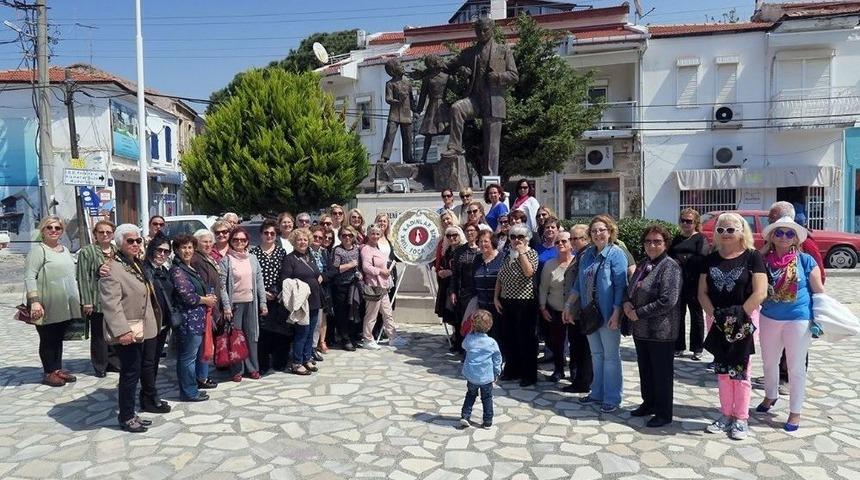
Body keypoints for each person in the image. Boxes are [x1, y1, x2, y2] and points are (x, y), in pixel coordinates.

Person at [699, 212, 768, 440]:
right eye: (720, 230)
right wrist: (717, 317)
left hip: (744, 321)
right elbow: (702, 293)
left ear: (741, 231)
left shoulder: (752, 257)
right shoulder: (710, 259)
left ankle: (741, 418)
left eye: (731, 229)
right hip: (717, 320)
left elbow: (760, 291)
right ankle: (725, 414)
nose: (725, 234)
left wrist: (738, 316)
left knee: (741, 371)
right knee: (722, 371)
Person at [756, 216, 824, 432]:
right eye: (779, 232)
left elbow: (819, 291)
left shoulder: (806, 261)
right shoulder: (763, 260)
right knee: (769, 362)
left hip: (798, 319)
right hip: (769, 317)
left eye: (789, 233)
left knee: (795, 368)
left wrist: (820, 318)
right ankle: (770, 396)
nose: (784, 237)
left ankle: (795, 412)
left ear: (796, 238)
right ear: (772, 236)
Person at [99, 224, 159, 432]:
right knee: (130, 373)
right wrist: (122, 331)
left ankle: (131, 412)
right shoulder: (112, 268)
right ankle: (126, 416)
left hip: (142, 328)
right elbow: (111, 304)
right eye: (130, 241)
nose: (135, 244)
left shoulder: (134, 264)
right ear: (119, 243)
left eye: (138, 240)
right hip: (128, 330)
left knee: (136, 370)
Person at [567, 215, 628, 413]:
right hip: (590, 314)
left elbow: (621, 285)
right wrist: (569, 305)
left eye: (602, 230)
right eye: (594, 231)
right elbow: (578, 283)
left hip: (608, 313)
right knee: (596, 355)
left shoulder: (616, 254)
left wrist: (617, 311)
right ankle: (597, 392)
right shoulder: (587, 255)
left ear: (610, 231)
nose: (598, 234)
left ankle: (612, 397)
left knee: (611, 357)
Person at [443, 17, 518, 177]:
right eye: (479, 31)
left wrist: (498, 77)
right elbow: (449, 66)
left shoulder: (503, 50)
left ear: (492, 30)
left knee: (492, 144)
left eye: (485, 30)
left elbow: (514, 75)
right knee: (457, 108)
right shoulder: (469, 53)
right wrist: (434, 66)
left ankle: (490, 178)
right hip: (475, 99)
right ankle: (455, 146)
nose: (482, 33)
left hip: (494, 101)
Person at [623, 225, 682, 428]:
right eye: (648, 241)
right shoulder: (643, 265)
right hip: (641, 330)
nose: (652, 245)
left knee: (661, 374)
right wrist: (626, 303)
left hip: (661, 331)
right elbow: (630, 289)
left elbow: (668, 300)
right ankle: (648, 403)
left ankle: (664, 412)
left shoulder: (670, 267)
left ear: (665, 244)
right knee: (646, 370)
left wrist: (638, 313)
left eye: (657, 241)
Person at [24, 216, 81, 387]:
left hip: (63, 303)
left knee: (57, 338)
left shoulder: (64, 249)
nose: (54, 230)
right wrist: (34, 301)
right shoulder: (38, 250)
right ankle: (49, 372)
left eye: (58, 228)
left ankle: (57, 369)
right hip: (44, 303)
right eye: (50, 227)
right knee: (48, 338)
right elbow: (29, 276)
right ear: (43, 231)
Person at [170, 234, 218, 402]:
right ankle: (189, 392)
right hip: (188, 320)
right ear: (176, 250)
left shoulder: (189, 267)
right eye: (183, 247)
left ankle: (192, 388)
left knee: (192, 356)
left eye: (190, 247)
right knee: (187, 357)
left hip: (197, 319)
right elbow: (187, 296)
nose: (187, 250)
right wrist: (206, 299)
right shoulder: (177, 270)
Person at [219, 227, 267, 382]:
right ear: (231, 241)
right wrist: (226, 306)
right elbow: (222, 286)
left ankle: (253, 367)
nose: (239, 242)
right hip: (235, 305)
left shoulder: (252, 258)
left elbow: (259, 281)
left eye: (243, 240)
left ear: (247, 242)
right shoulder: (226, 260)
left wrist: (263, 303)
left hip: (251, 302)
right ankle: (237, 370)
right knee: (236, 338)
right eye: (235, 240)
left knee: (252, 336)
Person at [494, 224, 539, 387]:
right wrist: (496, 298)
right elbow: (500, 277)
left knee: (526, 339)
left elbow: (529, 272)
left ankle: (528, 375)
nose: (516, 240)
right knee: (509, 338)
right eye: (513, 237)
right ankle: (512, 371)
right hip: (507, 301)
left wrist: (521, 253)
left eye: (520, 237)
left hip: (524, 302)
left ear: (526, 238)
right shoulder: (507, 255)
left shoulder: (531, 253)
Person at [76, 220, 120, 378]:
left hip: (115, 300)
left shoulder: (116, 250)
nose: (105, 235)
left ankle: (113, 362)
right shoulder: (87, 252)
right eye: (101, 232)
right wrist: (86, 301)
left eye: (108, 232)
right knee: (99, 335)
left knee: (115, 332)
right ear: (95, 234)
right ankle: (100, 365)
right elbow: (82, 277)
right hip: (97, 299)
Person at [280, 228, 323, 374]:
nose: (302, 242)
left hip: (315, 299)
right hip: (301, 302)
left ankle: (307, 358)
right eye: (299, 239)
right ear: (293, 241)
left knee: (311, 332)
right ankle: (297, 362)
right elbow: (285, 280)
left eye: (305, 239)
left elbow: (317, 273)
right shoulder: (290, 259)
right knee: (302, 332)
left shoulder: (310, 257)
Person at [669, 208, 710, 360]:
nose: (686, 224)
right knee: (678, 315)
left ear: (696, 223)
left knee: (696, 316)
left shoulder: (701, 238)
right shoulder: (677, 238)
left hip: (694, 282)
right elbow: (670, 255)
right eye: (683, 220)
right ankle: (678, 346)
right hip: (678, 283)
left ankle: (697, 348)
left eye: (689, 221)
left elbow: (702, 259)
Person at [140, 235, 174, 414]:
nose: (162, 254)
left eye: (166, 251)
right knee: (148, 362)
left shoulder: (164, 270)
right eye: (159, 250)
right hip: (150, 324)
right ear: (151, 249)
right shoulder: (144, 270)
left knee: (153, 362)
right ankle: (149, 397)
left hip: (162, 324)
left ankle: (148, 394)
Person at [249, 220, 289, 373]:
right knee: (263, 332)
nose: (269, 236)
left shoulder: (281, 252)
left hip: (278, 297)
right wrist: (262, 293)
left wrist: (277, 291)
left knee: (280, 330)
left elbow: (285, 274)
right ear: (261, 234)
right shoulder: (254, 253)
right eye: (266, 233)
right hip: (261, 297)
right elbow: (252, 277)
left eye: (272, 233)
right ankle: (263, 364)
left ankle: (279, 362)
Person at [539, 231, 574, 383]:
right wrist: (543, 308)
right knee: (557, 343)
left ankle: (575, 371)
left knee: (576, 343)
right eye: (558, 242)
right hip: (555, 309)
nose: (560, 244)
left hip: (574, 312)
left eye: (564, 241)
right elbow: (543, 288)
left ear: (571, 243)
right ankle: (558, 370)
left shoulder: (577, 262)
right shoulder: (549, 265)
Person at [562, 224, 593, 393]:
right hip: (574, 311)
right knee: (578, 348)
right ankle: (580, 379)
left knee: (582, 349)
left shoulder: (586, 255)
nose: (573, 242)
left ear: (586, 239)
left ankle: (583, 382)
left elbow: (581, 284)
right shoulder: (579, 254)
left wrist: (572, 308)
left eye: (576, 238)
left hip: (580, 311)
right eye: (571, 239)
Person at [459, 309, 502, 429]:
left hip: (472, 376)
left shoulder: (470, 340)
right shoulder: (491, 343)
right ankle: (487, 421)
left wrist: (470, 333)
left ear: (473, 325)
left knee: (470, 395)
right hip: (486, 376)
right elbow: (497, 357)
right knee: (487, 398)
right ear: (489, 326)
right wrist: (497, 371)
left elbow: (463, 346)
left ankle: (465, 416)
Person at [190, 228, 222, 390]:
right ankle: (201, 377)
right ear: (197, 243)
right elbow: (204, 284)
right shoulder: (197, 259)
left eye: (210, 241)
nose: (208, 244)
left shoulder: (206, 257)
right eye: (204, 241)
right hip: (204, 307)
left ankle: (202, 374)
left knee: (205, 342)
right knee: (202, 345)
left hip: (211, 305)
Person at [361, 224, 400, 349]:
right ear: (368, 234)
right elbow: (366, 267)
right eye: (373, 233)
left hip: (382, 286)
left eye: (377, 234)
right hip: (373, 286)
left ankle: (392, 337)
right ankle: (367, 339)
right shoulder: (366, 249)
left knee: (387, 313)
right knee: (371, 315)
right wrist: (381, 271)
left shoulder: (377, 249)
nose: (375, 236)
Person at [450, 223, 480, 352]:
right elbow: (454, 273)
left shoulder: (482, 249)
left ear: (477, 233)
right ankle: (462, 346)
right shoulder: (459, 251)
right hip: (463, 290)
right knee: (462, 320)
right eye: (467, 231)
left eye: (472, 231)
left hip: (478, 290)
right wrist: (452, 291)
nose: (469, 233)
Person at [331, 226, 361, 351]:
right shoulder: (337, 250)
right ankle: (345, 338)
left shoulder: (357, 249)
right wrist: (350, 265)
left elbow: (360, 266)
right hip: (341, 286)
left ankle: (352, 336)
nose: (347, 238)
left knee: (353, 311)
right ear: (340, 237)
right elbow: (335, 268)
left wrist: (359, 273)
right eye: (344, 235)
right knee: (342, 313)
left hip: (354, 285)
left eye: (349, 235)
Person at [381, 57, 415, 163]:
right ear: (393, 70)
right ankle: (385, 157)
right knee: (390, 136)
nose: (402, 67)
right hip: (394, 114)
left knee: (408, 138)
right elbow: (388, 98)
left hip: (406, 114)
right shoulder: (390, 84)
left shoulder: (408, 83)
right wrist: (396, 101)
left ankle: (408, 157)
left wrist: (416, 111)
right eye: (400, 65)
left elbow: (412, 100)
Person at [436, 225, 465, 350]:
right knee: (452, 314)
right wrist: (442, 271)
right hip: (448, 286)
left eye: (455, 235)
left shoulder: (463, 250)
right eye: (449, 236)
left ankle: (460, 342)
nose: (452, 238)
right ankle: (456, 339)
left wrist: (450, 272)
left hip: (460, 286)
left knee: (460, 315)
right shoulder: (447, 251)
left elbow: (464, 270)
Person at [310, 225, 335, 358]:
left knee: (318, 321)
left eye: (321, 237)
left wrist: (323, 277)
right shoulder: (305, 251)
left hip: (321, 290)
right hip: (308, 291)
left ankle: (314, 348)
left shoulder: (324, 252)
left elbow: (332, 270)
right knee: (308, 322)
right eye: (315, 236)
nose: (318, 239)